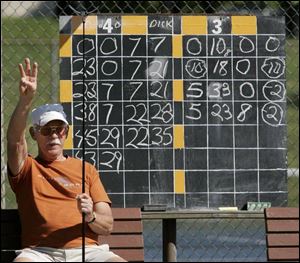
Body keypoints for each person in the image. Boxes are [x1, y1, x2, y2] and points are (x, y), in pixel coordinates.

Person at [6, 58, 126, 262]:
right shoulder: (27, 168)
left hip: (89, 252)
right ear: (35, 134)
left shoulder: (87, 169)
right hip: (40, 253)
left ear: (66, 133)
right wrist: (26, 100)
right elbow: (14, 141)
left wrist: (90, 216)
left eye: (59, 129)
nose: (53, 135)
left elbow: (106, 226)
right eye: (46, 130)